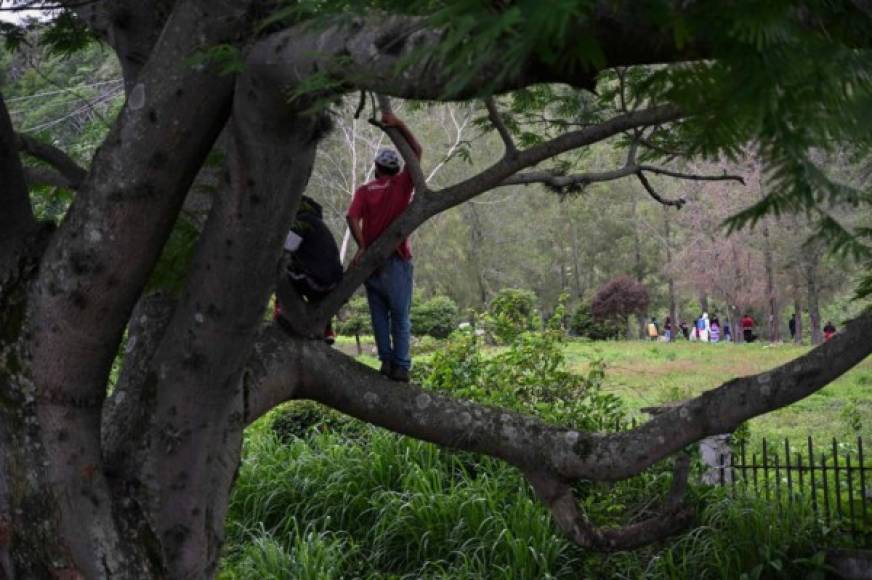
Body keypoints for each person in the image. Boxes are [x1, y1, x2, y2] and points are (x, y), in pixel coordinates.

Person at [346, 112, 423, 382]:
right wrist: (400, 124)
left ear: (377, 169)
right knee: (400, 316)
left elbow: (351, 217)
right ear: (396, 169)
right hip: (397, 258)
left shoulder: (365, 190)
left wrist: (362, 247)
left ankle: (386, 363)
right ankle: (401, 366)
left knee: (379, 315)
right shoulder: (403, 184)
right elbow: (417, 150)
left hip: (371, 264)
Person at [275, 196, 343, 344]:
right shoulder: (319, 225)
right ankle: (327, 330)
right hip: (333, 284)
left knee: (277, 266)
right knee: (312, 275)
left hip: (315, 281)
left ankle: (281, 311)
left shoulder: (302, 221)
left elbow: (287, 247)